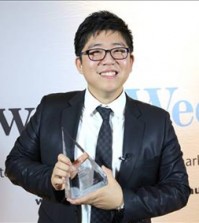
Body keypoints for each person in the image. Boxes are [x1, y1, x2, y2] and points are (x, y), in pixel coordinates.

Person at [5, 10, 190, 223]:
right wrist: (51, 178)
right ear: (79, 64)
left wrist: (123, 200)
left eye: (118, 51)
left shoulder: (158, 121)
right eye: (95, 52)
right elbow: (15, 164)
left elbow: (178, 190)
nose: (108, 60)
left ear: (130, 61)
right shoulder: (51, 108)